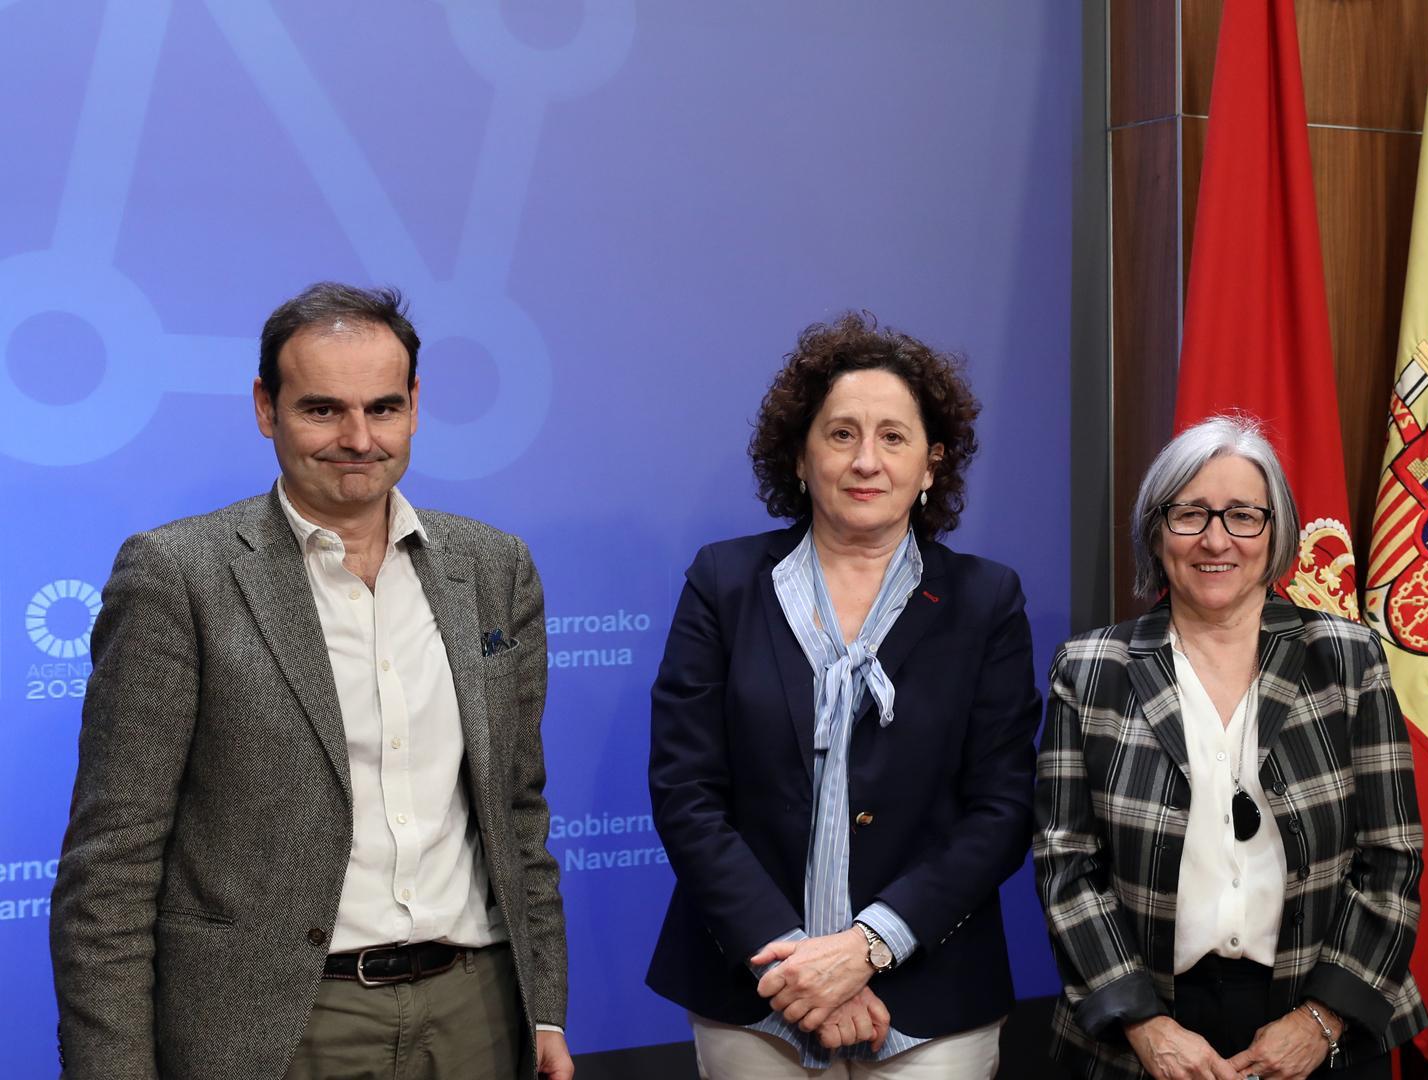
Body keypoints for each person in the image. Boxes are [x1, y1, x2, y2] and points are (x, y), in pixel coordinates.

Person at [49, 283, 572, 1080]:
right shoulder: (178, 575)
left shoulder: (494, 568)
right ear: (267, 407)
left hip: (478, 1012)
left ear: (416, 405)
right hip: (275, 1028)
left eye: (384, 408)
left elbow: (517, 813)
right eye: (323, 409)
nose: (359, 438)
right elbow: (111, 867)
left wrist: (544, 1008)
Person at [646, 312, 1040, 1077]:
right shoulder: (724, 584)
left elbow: (1001, 808)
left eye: (893, 437)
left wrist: (869, 947)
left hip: (931, 989)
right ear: (799, 455)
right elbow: (685, 790)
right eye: (840, 434)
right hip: (757, 986)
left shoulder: (986, 599)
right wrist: (800, 965)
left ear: (932, 463)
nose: (867, 461)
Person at [1033, 415, 1428, 1080]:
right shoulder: (1090, 668)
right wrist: (1144, 1025)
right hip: (1142, 1026)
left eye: (1243, 515)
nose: (1216, 538)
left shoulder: (1345, 657)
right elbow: (1066, 865)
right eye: (1190, 514)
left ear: (1275, 533)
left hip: (1317, 1015)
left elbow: (1392, 858)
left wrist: (1320, 1021)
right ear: (1156, 532)